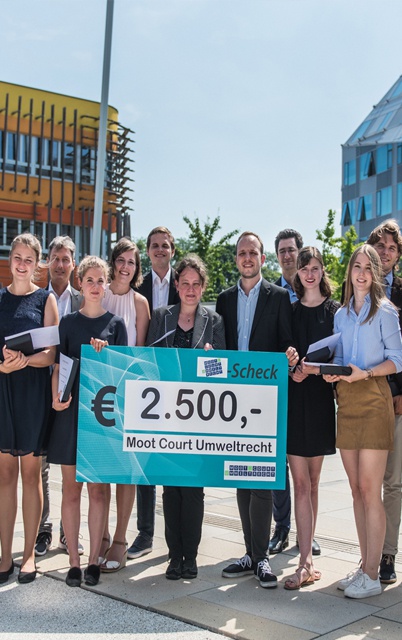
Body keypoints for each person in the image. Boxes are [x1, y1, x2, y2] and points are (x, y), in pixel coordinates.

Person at [217, 231, 298, 589]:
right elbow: (220, 347)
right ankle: (250, 553)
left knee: (262, 476)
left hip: (265, 400)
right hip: (233, 401)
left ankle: (262, 556)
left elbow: (287, 342)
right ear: (236, 258)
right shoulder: (223, 300)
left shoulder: (278, 297)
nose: (247, 258)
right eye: (242, 253)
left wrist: (290, 354)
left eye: (253, 252)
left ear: (263, 259)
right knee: (240, 476)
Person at [324, 245, 402, 599]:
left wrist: (366, 373)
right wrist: (333, 373)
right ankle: (364, 565)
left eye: (368, 268)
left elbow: (397, 360)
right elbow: (341, 358)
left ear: (376, 274)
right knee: (356, 490)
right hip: (348, 401)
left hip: (373, 398)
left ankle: (372, 574)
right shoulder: (341, 315)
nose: (361, 273)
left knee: (371, 490)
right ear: (349, 271)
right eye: (357, 266)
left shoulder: (386, 312)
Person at [46, 256, 128, 588]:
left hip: (100, 417)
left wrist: (105, 355)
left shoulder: (116, 325)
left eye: (100, 280)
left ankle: (94, 559)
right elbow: (57, 367)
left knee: (97, 491)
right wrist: (56, 397)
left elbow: (123, 376)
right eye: (89, 280)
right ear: (80, 283)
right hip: (70, 414)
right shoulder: (67, 323)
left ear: (107, 285)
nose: (95, 286)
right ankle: (74, 562)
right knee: (70, 491)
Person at [146, 254, 225, 580]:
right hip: (165, 416)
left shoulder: (214, 321)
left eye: (196, 284)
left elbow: (221, 373)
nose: (191, 290)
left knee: (192, 489)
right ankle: (173, 556)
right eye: (185, 283)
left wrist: (211, 360)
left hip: (197, 421)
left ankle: (189, 557)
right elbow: (148, 363)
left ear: (203, 287)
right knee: (170, 489)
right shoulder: (160, 317)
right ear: (176, 285)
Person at [0, 233, 58, 584]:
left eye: (29, 259)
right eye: (17, 258)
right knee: (5, 475)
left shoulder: (45, 298)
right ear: (10, 260)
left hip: (33, 393)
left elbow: (51, 353)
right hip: (3, 390)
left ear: (38, 264)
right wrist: (3, 367)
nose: (22, 264)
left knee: (31, 474)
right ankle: (5, 556)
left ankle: (28, 557)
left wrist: (23, 361)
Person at [283, 247, 339, 589]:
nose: (309, 273)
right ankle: (304, 561)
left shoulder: (335, 311)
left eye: (315, 267)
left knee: (314, 483)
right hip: (294, 400)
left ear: (322, 271)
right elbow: (283, 352)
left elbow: (340, 357)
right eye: (304, 268)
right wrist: (292, 365)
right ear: (298, 273)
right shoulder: (289, 311)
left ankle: (309, 556)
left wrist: (318, 371)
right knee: (301, 483)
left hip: (319, 401)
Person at [128, 226, 180, 561]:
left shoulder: (184, 282)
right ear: (147, 251)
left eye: (165, 245)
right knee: (144, 461)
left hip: (178, 384)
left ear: (172, 250)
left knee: (174, 459)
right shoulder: (137, 285)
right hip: (143, 384)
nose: (160, 250)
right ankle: (145, 533)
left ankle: (176, 538)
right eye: (154, 245)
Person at [99, 238, 150, 572]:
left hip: (128, 394)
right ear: (112, 262)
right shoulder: (97, 293)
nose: (126, 267)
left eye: (132, 262)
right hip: (97, 392)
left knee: (126, 470)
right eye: (121, 260)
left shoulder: (140, 303)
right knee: (100, 468)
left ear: (137, 268)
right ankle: (101, 535)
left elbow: (141, 353)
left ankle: (119, 539)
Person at [35, 235, 83, 558]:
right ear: (47, 262)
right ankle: (44, 528)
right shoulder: (37, 299)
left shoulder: (84, 299)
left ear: (73, 264)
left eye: (66, 259)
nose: (61, 264)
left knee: (68, 465)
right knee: (40, 465)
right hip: (39, 391)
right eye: (55, 258)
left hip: (72, 396)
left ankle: (69, 531)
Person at [366, 221, 402, 584]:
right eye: (380, 246)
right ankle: (368, 557)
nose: (386, 252)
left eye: (392, 247)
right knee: (365, 484)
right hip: (365, 401)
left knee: (392, 482)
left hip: (398, 402)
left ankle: (387, 554)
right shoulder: (357, 289)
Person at [269, 229, 303, 556]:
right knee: (278, 462)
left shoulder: (313, 288)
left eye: (291, 250)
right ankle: (281, 527)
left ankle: (307, 531)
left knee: (306, 464)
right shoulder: (272, 293)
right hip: (277, 387)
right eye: (282, 251)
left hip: (308, 388)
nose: (287, 255)